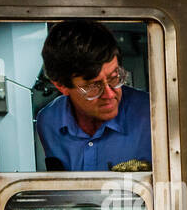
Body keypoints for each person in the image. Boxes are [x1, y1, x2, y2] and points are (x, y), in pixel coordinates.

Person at [35, 20, 151, 172]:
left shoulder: (151, 114)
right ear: (61, 86)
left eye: (114, 77)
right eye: (93, 86)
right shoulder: (49, 122)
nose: (110, 94)